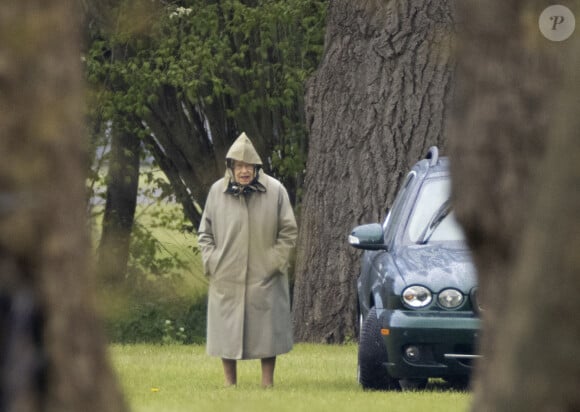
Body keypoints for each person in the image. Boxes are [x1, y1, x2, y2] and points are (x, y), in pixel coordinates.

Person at [198, 132, 297, 388]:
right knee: (226, 333)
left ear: (256, 167)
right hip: (226, 274)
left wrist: (275, 262)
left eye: (248, 166)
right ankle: (229, 383)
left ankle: (268, 383)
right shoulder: (217, 192)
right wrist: (213, 262)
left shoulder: (275, 191)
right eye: (239, 166)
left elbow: (288, 231)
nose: (244, 171)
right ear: (230, 167)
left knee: (267, 332)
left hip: (265, 275)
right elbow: (205, 233)